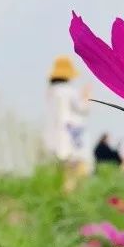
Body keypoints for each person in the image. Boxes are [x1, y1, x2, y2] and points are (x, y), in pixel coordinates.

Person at [44, 55, 90, 191]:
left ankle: (62, 191)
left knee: (62, 168)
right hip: (70, 133)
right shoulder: (69, 91)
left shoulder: (51, 92)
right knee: (75, 167)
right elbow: (83, 108)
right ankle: (71, 192)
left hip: (54, 134)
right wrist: (86, 95)